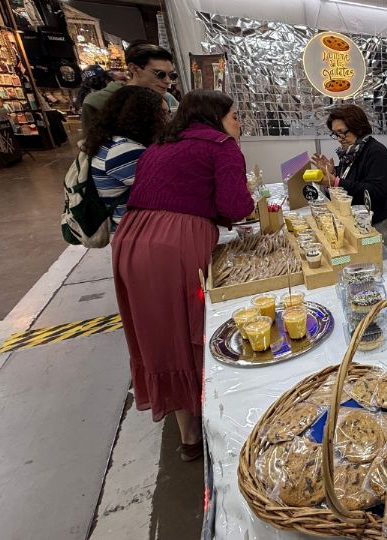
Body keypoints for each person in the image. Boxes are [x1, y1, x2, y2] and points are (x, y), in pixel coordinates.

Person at [112, 90, 254, 462]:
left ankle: (187, 435)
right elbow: (235, 207)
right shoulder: (221, 145)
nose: (239, 123)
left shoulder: (160, 145)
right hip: (175, 245)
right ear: (216, 118)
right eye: (235, 115)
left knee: (157, 333)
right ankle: (218, 424)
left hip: (131, 240)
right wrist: (247, 195)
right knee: (193, 328)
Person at [312, 104, 387, 267]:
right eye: (335, 134)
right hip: (363, 220)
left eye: (342, 132)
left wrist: (335, 182)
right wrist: (334, 171)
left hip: (382, 222)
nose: (339, 138)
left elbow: (373, 191)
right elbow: (354, 177)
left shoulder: (376, 152)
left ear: (358, 128)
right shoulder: (352, 151)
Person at [82, 86, 168, 231]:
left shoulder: (110, 142)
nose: (167, 120)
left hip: (131, 226)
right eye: (163, 114)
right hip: (138, 231)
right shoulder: (125, 151)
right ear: (144, 116)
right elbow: (165, 190)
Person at [81, 43, 178, 129]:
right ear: (134, 69)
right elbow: (91, 145)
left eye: (171, 75)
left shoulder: (164, 97)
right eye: (160, 74)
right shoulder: (97, 101)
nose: (168, 81)